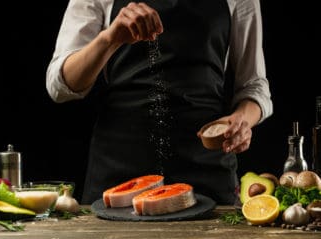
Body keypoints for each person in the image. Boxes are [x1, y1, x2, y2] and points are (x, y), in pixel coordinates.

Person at [46, 0, 273, 205]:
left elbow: (254, 85)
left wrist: (243, 119)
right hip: (119, 169)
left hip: (205, 168)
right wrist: (110, 39)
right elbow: (60, 85)